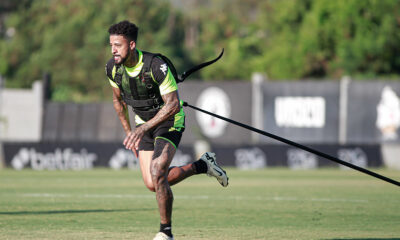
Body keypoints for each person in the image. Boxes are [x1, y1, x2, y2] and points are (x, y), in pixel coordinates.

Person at [106, 20, 229, 240]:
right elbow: (118, 102)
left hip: (169, 120)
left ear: (132, 45)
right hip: (143, 125)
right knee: (153, 183)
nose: (113, 50)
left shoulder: (155, 65)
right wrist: (130, 133)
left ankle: (165, 232)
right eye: (111, 45)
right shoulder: (112, 68)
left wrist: (142, 129)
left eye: (118, 45)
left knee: (157, 169)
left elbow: (172, 104)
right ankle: (202, 165)